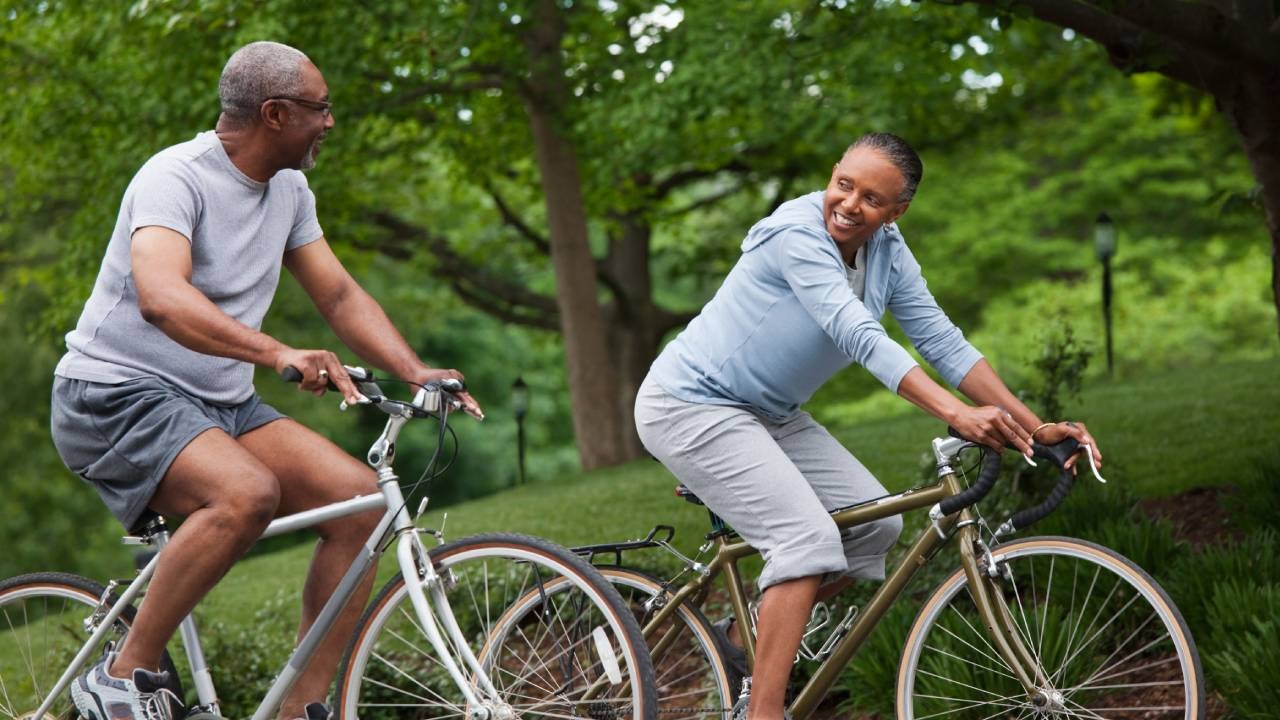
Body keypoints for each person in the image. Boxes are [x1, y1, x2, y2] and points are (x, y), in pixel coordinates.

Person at [49, 41, 482, 720]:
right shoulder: (174, 178)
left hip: (217, 403)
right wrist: (277, 349)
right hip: (114, 395)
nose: (331, 121)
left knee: (363, 505)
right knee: (246, 492)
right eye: (321, 107)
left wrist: (416, 369)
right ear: (275, 113)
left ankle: (303, 708)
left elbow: (337, 296)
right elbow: (162, 296)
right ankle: (122, 674)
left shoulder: (289, 190)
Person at [633, 132, 1101, 720]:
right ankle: (765, 712)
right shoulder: (796, 233)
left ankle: (741, 640)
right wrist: (955, 414)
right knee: (805, 542)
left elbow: (942, 341)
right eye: (844, 185)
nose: (850, 205)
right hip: (691, 404)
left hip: (771, 414)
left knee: (874, 532)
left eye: (872, 199)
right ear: (832, 174)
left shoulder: (889, 250)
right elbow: (856, 334)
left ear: (897, 211)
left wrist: (1034, 429)